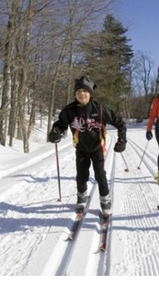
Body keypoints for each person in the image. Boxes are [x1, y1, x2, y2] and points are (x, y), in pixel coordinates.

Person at [48, 76, 127, 216]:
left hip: (97, 148)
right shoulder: (69, 110)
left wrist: (122, 140)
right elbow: (60, 125)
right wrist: (55, 133)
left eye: (85, 91)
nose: (81, 94)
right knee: (82, 176)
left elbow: (120, 122)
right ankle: (82, 197)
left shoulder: (100, 109)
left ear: (90, 93)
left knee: (100, 175)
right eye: (78, 91)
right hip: (81, 149)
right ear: (75, 94)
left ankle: (105, 200)